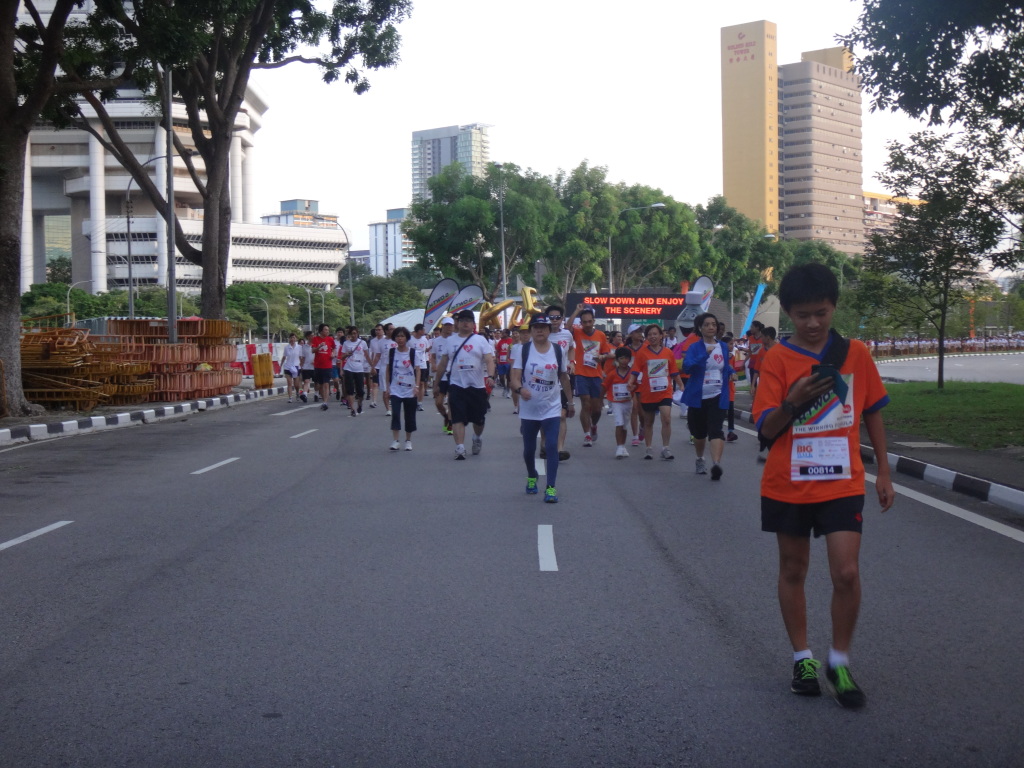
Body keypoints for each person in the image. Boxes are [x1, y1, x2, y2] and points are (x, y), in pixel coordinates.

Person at [754, 262, 894, 709]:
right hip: (788, 482)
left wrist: (885, 472)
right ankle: (803, 659)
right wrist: (793, 402)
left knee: (846, 572)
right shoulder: (776, 359)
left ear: (834, 307)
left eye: (821, 312)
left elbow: (872, 410)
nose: (813, 324)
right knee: (794, 570)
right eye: (802, 315)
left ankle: (839, 659)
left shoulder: (857, 354)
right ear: (789, 314)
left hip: (842, 480)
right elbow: (765, 430)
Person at [510, 315, 575, 503]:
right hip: (529, 408)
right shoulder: (524, 351)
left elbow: (563, 377)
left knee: (552, 446)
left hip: (552, 406)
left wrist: (570, 402)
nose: (540, 330)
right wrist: (520, 389)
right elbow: (514, 378)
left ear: (549, 330)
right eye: (536, 327)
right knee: (529, 449)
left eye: (543, 327)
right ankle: (532, 475)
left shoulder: (557, 350)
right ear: (530, 331)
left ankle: (551, 487)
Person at [437, 309, 496, 460]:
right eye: (462, 320)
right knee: (457, 417)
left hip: (476, 386)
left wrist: (490, 375)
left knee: (479, 419)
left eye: (468, 321)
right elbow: (443, 363)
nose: (465, 323)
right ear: (458, 323)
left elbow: (489, 360)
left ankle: (477, 437)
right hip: (457, 386)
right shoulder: (451, 341)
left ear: (473, 324)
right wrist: (437, 383)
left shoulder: (480, 340)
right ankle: (460, 447)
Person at [682, 312, 733, 480]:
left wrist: (731, 372)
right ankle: (699, 458)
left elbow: (724, 367)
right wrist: (705, 354)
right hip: (698, 396)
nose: (711, 327)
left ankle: (716, 464)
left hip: (718, 395)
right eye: (707, 324)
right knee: (699, 433)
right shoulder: (694, 348)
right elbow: (687, 367)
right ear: (700, 328)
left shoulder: (723, 347)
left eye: (713, 324)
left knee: (716, 430)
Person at [629, 324, 681, 460]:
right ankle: (649, 447)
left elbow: (674, 371)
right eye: (650, 334)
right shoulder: (642, 353)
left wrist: (681, 385)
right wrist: (630, 382)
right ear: (646, 338)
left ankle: (666, 448)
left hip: (665, 392)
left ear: (660, 336)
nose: (652, 337)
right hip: (648, 392)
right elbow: (635, 370)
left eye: (655, 334)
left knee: (666, 418)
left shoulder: (668, 353)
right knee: (648, 422)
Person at [568, 304, 611, 448]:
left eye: (589, 321)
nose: (587, 324)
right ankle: (587, 435)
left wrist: (601, 358)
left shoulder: (601, 335)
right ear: (581, 323)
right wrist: (576, 311)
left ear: (594, 321)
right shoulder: (578, 333)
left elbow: (606, 353)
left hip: (596, 375)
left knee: (597, 408)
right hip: (581, 373)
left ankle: (593, 426)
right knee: (585, 403)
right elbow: (567, 328)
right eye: (584, 322)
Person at [544, 305, 576, 461]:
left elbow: (571, 348)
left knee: (562, 415)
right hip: (544, 381)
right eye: (551, 317)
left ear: (562, 319)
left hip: (562, 379)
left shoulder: (567, 334)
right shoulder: (541, 335)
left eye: (557, 317)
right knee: (545, 416)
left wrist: (572, 361)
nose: (554, 320)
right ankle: (544, 444)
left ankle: (559, 449)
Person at [384, 327, 421, 451]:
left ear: (407, 338)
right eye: (398, 336)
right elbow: (388, 369)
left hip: (410, 389)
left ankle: (408, 440)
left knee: (409, 415)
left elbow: (418, 370)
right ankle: (395, 440)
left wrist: (417, 386)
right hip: (395, 388)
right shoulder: (392, 352)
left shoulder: (413, 352)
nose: (400, 339)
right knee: (395, 413)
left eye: (402, 336)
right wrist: (388, 387)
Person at [604, 346, 634, 458]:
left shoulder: (632, 374)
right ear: (617, 360)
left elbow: (637, 387)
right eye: (621, 358)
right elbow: (604, 386)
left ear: (630, 359)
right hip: (616, 402)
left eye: (626, 358)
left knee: (625, 425)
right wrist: (600, 400)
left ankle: (623, 446)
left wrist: (633, 387)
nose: (624, 361)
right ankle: (619, 447)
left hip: (628, 402)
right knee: (619, 423)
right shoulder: (612, 374)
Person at [431, 317, 456, 434]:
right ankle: (446, 417)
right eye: (446, 325)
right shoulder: (436, 341)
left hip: (453, 374)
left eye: (450, 325)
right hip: (441, 376)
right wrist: (433, 365)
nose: (448, 328)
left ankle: (450, 424)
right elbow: (433, 356)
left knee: (451, 401)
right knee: (439, 403)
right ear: (443, 326)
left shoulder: (456, 339)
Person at [341, 325, 369, 416]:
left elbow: (367, 355)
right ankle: (352, 409)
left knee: (360, 391)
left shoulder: (363, 343)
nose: (353, 335)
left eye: (355, 333)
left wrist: (372, 366)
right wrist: (346, 354)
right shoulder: (346, 343)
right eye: (352, 334)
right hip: (349, 367)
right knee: (350, 389)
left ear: (357, 334)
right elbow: (341, 357)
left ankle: (359, 404)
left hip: (359, 368)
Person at [309, 324, 336, 410]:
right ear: (321, 331)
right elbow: (313, 350)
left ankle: (325, 402)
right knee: (320, 384)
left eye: (328, 330)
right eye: (325, 330)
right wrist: (319, 346)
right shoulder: (315, 339)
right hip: (318, 365)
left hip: (327, 365)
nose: (327, 331)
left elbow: (334, 348)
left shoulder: (330, 339)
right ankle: (323, 399)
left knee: (326, 383)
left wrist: (333, 354)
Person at [509, 325, 531, 415]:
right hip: (518, 372)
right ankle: (516, 406)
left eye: (527, 332)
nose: (525, 335)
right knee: (515, 389)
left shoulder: (535, 346)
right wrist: (512, 377)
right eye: (523, 333)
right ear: (520, 335)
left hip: (530, 375)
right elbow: (513, 363)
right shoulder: (515, 347)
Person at [410, 323, 432, 408]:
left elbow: (427, 348)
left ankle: (420, 402)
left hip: (423, 363)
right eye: (423, 330)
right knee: (414, 383)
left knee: (422, 383)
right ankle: (413, 400)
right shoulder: (410, 340)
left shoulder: (424, 339)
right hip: (412, 365)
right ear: (419, 330)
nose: (424, 331)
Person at [723, 332, 739, 441]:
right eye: (730, 344)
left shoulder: (732, 357)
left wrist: (734, 376)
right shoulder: (718, 356)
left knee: (731, 411)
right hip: (720, 388)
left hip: (730, 387)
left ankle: (730, 432)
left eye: (732, 343)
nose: (732, 345)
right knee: (720, 411)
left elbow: (733, 370)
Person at [279, 333, 303, 402]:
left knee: (296, 384)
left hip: (296, 366)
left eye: (294, 338)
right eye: (291, 337)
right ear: (289, 339)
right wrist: (280, 365)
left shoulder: (299, 347)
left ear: (296, 339)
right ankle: (290, 397)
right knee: (289, 383)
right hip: (288, 367)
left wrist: (301, 365)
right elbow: (284, 357)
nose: (292, 339)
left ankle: (297, 393)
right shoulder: (286, 347)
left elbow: (301, 357)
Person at [367, 324, 386, 408]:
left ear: (383, 330)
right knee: (375, 384)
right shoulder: (373, 341)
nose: (377, 331)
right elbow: (372, 353)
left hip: (385, 365)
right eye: (376, 330)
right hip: (376, 365)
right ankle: (374, 401)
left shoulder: (387, 340)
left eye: (379, 329)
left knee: (387, 384)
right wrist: (372, 365)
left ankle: (389, 399)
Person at [494, 328, 514, 398]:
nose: (502, 334)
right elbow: (498, 351)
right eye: (502, 333)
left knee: (508, 377)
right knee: (501, 376)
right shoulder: (500, 341)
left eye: (503, 333)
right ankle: (504, 387)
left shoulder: (511, 341)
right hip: (501, 361)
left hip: (508, 361)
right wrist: (497, 359)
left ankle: (508, 391)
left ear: (507, 334)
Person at [298, 334, 314, 402]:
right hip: (306, 367)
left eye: (313, 335)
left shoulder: (316, 345)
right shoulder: (304, 347)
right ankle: (304, 394)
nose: (313, 337)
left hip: (315, 367)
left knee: (317, 383)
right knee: (306, 381)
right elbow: (303, 357)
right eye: (311, 335)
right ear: (308, 337)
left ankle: (316, 394)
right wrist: (301, 365)